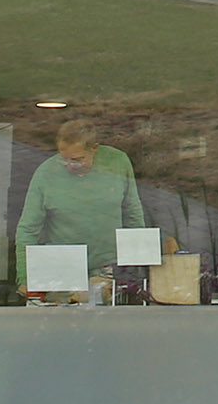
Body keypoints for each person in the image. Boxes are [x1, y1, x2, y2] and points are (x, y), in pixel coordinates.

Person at [15, 124, 149, 296]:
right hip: (63, 269)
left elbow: (132, 213)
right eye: (64, 159)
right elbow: (28, 229)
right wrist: (26, 278)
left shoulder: (117, 162)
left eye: (77, 159)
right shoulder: (46, 173)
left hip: (110, 267)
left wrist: (137, 266)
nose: (69, 165)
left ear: (94, 148)